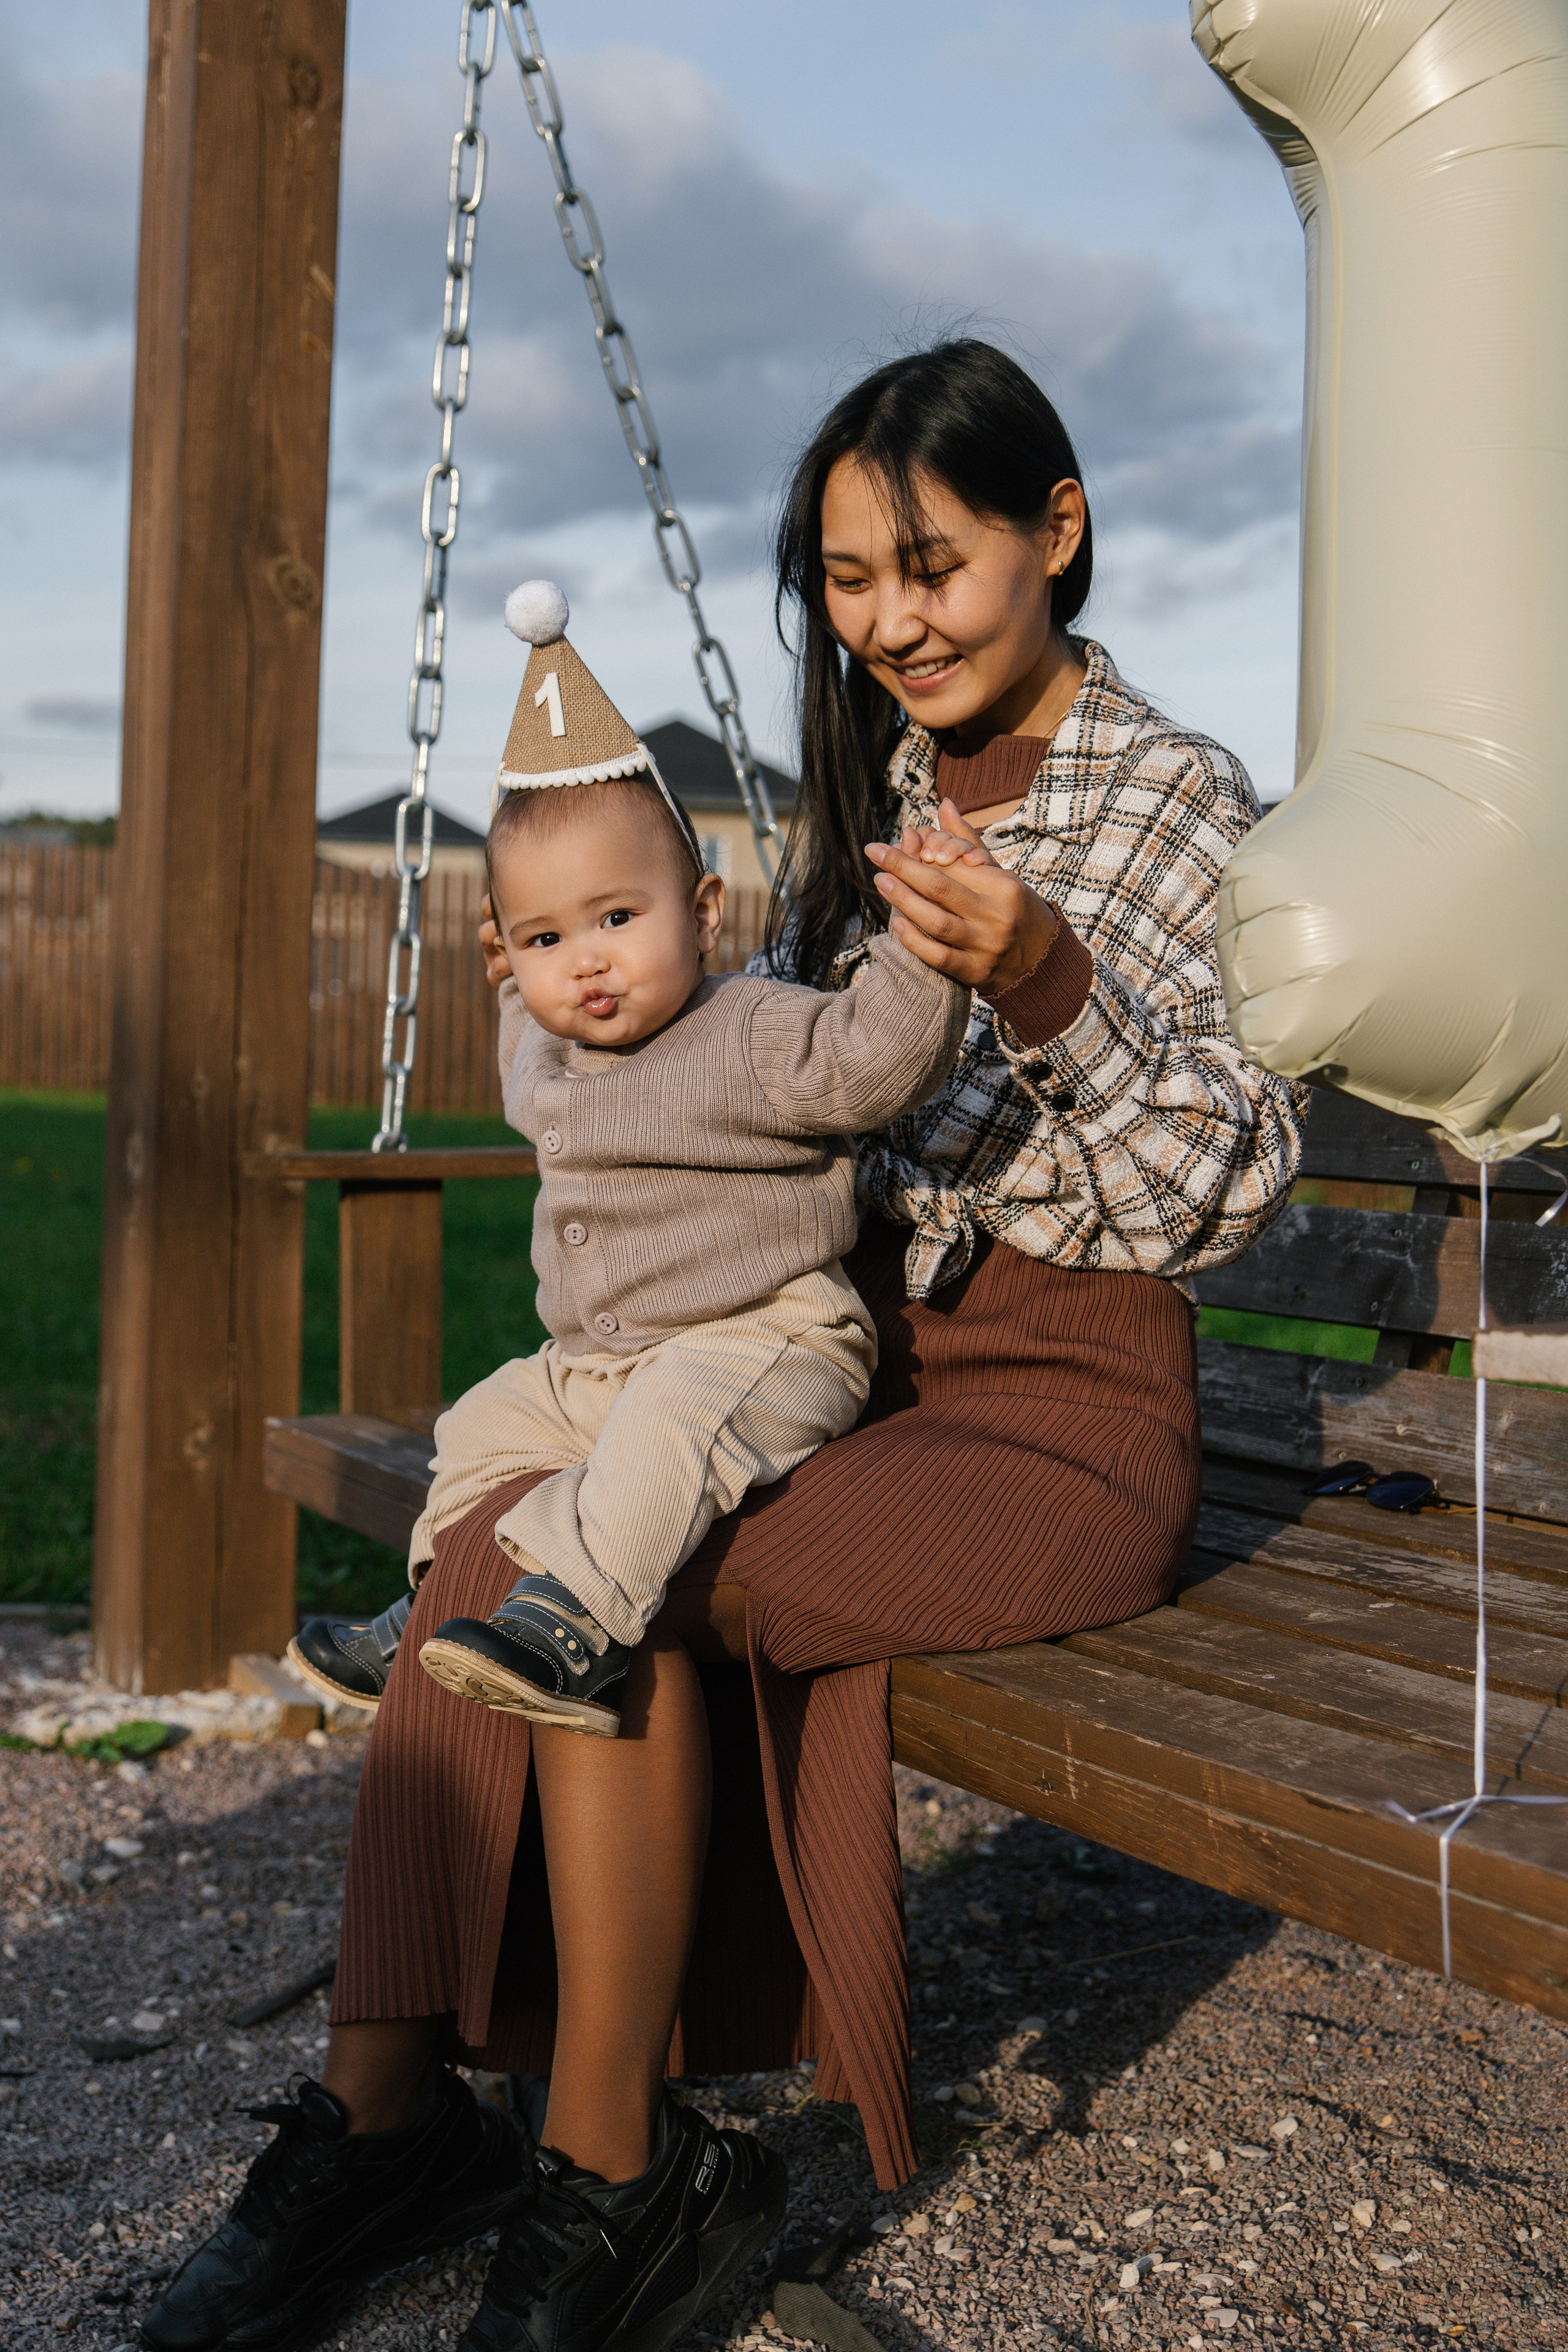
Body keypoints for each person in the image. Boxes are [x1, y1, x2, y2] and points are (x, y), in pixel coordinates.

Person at [141, 339, 1307, 2352]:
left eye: (928, 566)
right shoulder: (893, 788)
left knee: (611, 1558)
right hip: (850, 1373)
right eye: (848, 580)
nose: (889, 622)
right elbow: (773, 1090)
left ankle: (613, 2168)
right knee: (519, 1519)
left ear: (1060, 532)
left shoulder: (1175, 802)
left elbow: (1227, 1185)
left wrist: (1042, 978)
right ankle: (383, 2110)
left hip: (1058, 1419)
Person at [290, 590, 967, 1736]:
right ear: (510, 954)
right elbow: (525, 1054)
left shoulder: (750, 1030)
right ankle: (442, 1599)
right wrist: (520, 988)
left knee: (670, 1438)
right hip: (596, 1366)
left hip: (764, 1338)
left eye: (616, 918)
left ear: (702, 912)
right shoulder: (551, 1042)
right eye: (548, 940)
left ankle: (580, 1627)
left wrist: (928, 955)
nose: (586, 964)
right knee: (482, 1426)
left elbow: (872, 1066)